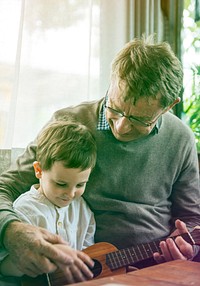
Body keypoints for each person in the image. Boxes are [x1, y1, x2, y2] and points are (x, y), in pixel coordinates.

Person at [0, 35, 200, 284]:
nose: (122, 127)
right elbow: (4, 188)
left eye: (140, 120)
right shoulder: (67, 124)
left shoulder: (181, 139)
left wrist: (187, 247)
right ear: (112, 81)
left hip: (155, 265)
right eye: (115, 108)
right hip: (88, 272)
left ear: (169, 106)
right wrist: (11, 230)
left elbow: (191, 218)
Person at [0, 120, 97, 284]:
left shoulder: (83, 209)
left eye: (80, 185)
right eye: (61, 184)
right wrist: (45, 257)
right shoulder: (23, 210)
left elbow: (89, 255)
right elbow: (4, 266)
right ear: (38, 170)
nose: (71, 194)